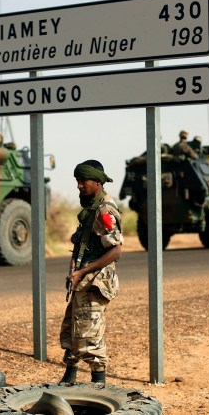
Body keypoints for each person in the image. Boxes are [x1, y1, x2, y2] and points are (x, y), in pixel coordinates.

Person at [59, 160, 123, 386]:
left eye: (83, 181)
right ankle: (69, 379)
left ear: (97, 181)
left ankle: (98, 385)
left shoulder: (104, 210)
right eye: (77, 181)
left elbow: (115, 250)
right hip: (82, 280)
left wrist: (83, 271)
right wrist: (75, 272)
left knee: (90, 336)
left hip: (95, 282)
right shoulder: (91, 208)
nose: (79, 185)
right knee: (72, 330)